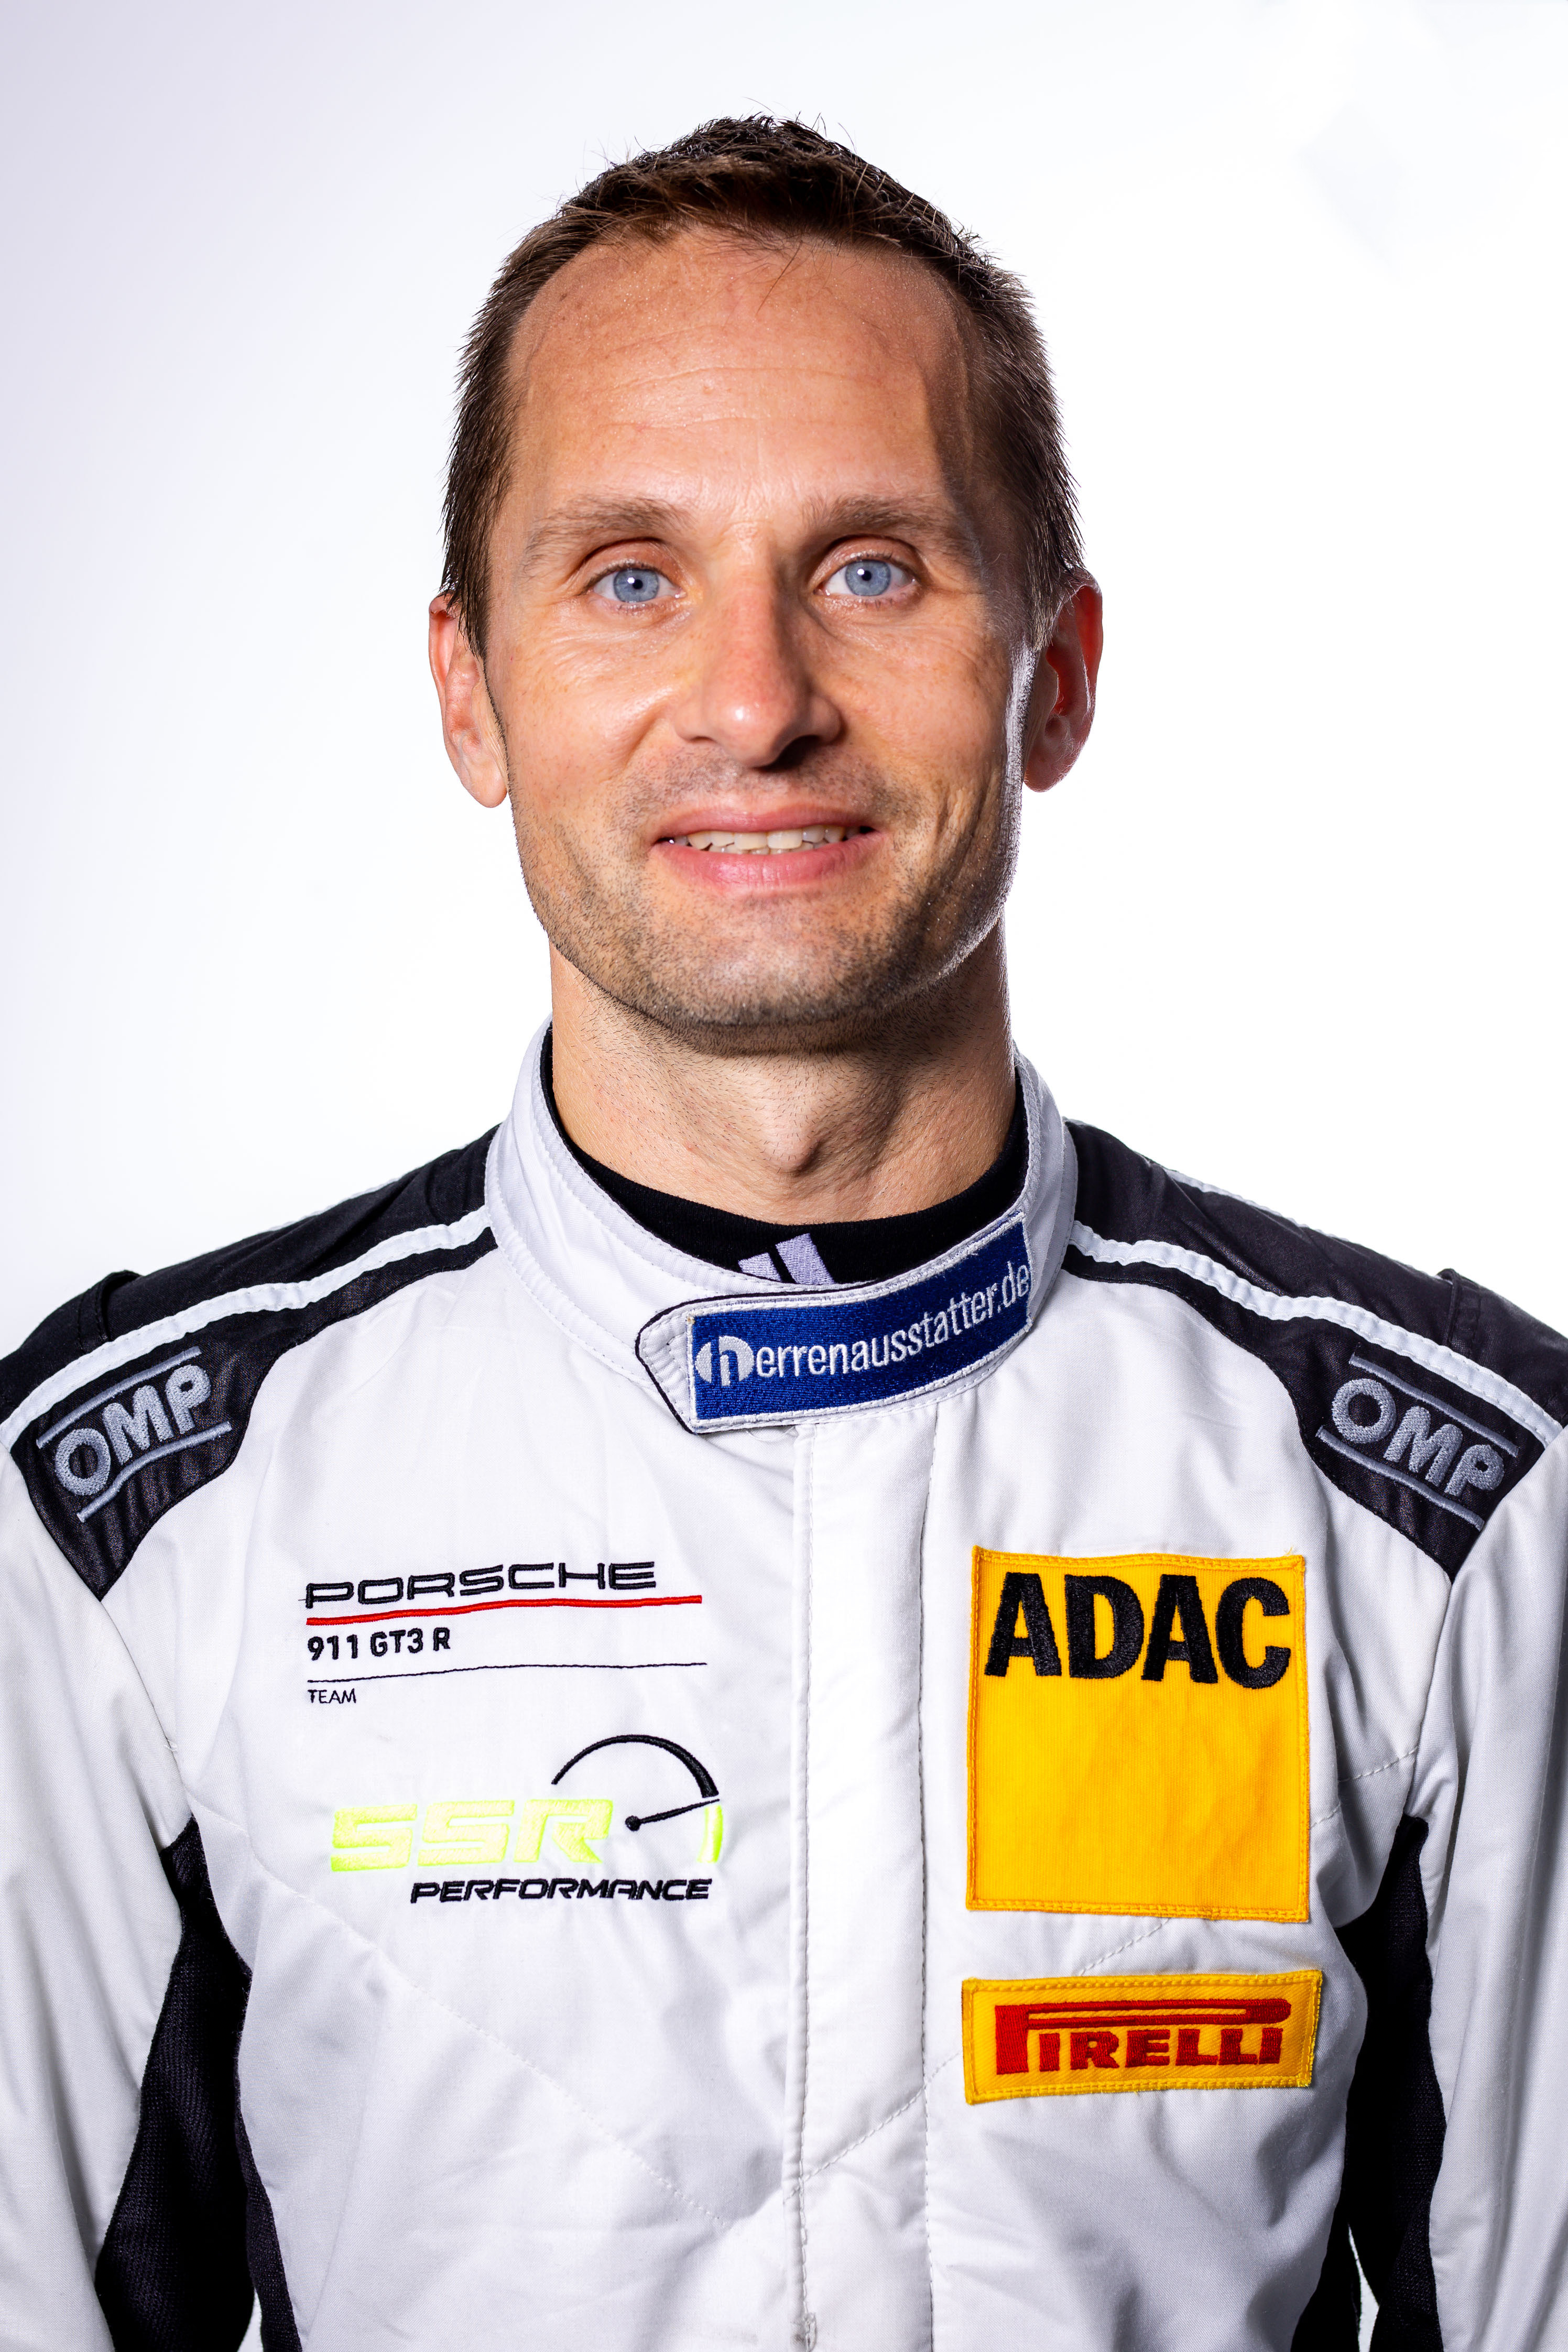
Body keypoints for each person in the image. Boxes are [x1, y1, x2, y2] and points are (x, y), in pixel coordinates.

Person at [2, 113, 1564, 2352]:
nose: (755, 702)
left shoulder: (1455, 1513)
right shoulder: (125, 1522)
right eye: (629, 576)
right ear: (470, 691)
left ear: (1056, 675)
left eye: (873, 569)